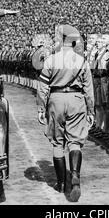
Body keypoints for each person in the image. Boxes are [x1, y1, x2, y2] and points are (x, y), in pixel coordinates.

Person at [36, 25, 94, 203]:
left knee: (57, 142)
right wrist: (91, 110)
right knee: (75, 141)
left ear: (61, 40)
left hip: (56, 98)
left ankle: (61, 183)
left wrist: (41, 108)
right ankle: (75, 176)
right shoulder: (81, 61)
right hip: (76, 99)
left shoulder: (51, 60)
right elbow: (89, 89)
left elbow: (43, 88)